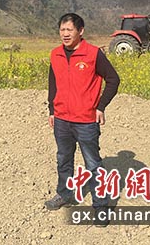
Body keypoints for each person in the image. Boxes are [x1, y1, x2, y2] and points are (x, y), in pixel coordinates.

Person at [45, 13, 120, 227]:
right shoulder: (55, 54)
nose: (65, 34)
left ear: (81, 31)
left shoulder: (93, 54)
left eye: (69, 30)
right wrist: (52, 109)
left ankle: (101, 206)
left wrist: (100, 106)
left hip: (86, 120)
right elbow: (53, 83)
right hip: (61, 119)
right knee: (63, 160)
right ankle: (64, 194)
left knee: (93, 164)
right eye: (62, 30)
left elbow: (113, 80)